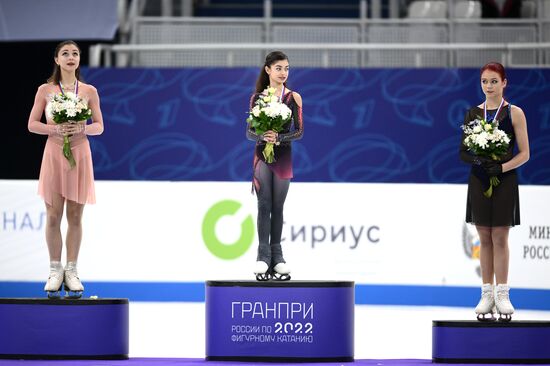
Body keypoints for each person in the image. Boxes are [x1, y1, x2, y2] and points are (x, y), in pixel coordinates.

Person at [28, 40, 104, 298]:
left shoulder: (89, 91)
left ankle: (72, 271)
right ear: (57, 59)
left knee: (74, 216)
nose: (71, 57)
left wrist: (82, 128)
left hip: (80, 153)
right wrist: (55, 128)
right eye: (65, 53)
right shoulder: (45, 90)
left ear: (79, 60)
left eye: (75, 53)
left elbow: (99, 126)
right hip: (54, 153)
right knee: (52, 216)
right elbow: (32, 124)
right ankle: (54, 270)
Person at [459, 62, 529, 321]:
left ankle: (503, 293)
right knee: (484, 238)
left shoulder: (514, 113)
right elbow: (463, 152)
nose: (488, 86)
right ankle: (486, 293)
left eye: (493, 81)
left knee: (500, 237)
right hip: (479, 180)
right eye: (484, 82)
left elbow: (525, 154)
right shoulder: (472, 114)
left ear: (504, 83)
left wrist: (500, 167)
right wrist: (481, 163)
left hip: (504, 179)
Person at [246, 51, 304, 281]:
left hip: (283, 156)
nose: (283, 73)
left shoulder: (294, 98)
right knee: (264, 205)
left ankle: (277, 257)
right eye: (278, 68)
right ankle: (262, 256)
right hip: (261, 155)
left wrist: (279, 139)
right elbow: (249, 132)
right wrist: (263, 136)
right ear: (268, 69)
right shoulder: (257, 99)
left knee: (278, 207)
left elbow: (299, 131)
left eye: (287, 68)